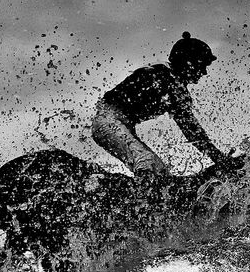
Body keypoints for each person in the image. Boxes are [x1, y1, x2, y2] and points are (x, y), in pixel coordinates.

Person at [91, 31, 241, 195]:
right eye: (202, 65)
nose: (204, 72)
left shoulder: (166, 77)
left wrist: (216, 156)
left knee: (159, 169)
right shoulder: (164, 77)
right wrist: (218, 158)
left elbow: (191, 130)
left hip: (115, 123)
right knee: (146, 161)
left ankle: (155, 198)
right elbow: (191, 130)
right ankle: (141, 199)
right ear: (188, 62)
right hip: (108, 121)